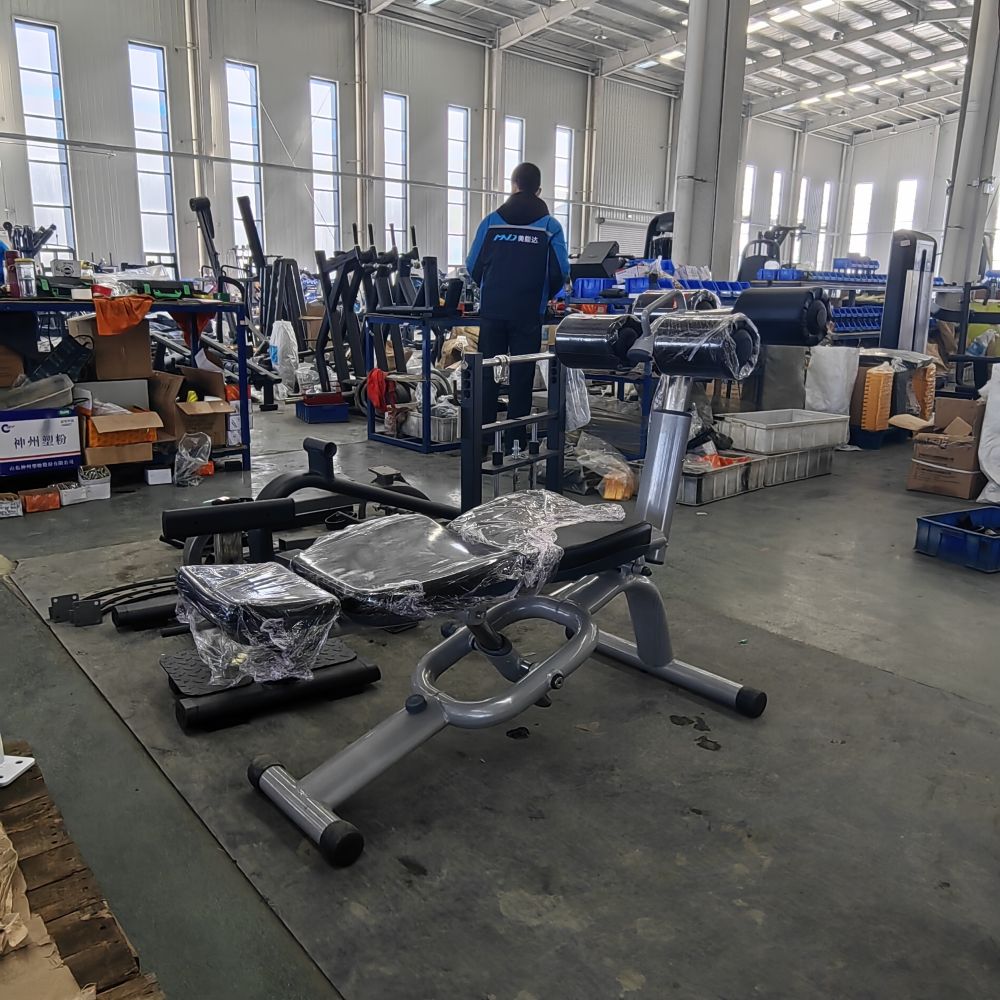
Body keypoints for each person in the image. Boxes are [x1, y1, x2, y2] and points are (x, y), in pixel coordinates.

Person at [466, 162, 570, 448]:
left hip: (493, 311)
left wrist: (490, 289)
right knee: (522, 376)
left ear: (513, 186)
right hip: (528, 312)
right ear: (539, 190)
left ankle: (482, 442)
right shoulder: (550, 226)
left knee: (488, 374)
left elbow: (472, 264)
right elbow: (561, 270)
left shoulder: (491, 222)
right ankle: (515, 443)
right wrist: (544, 295)